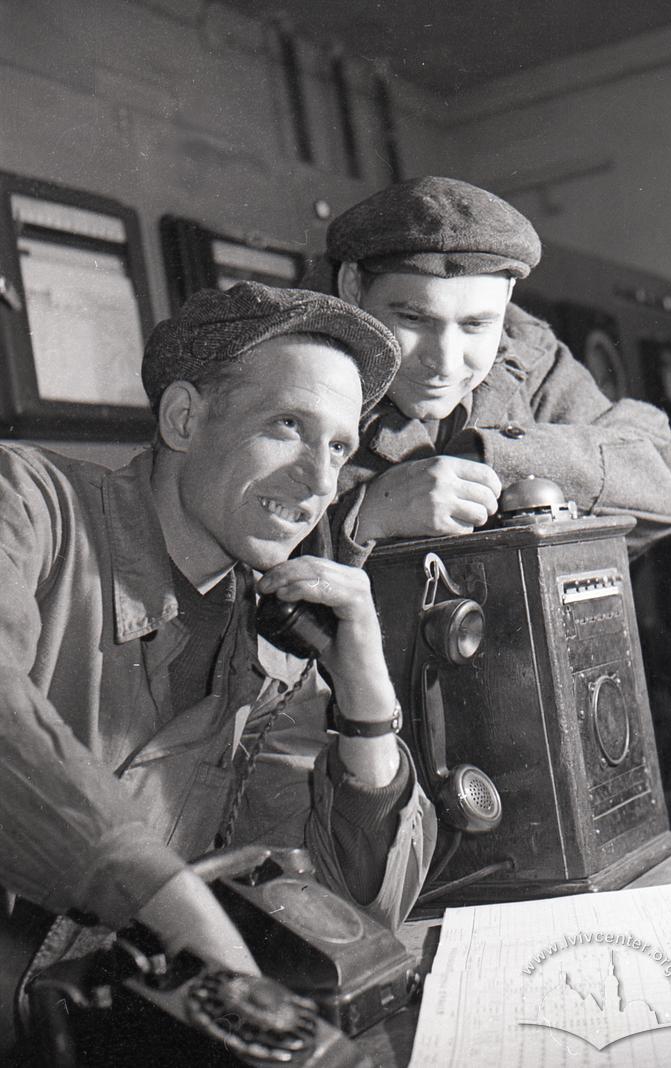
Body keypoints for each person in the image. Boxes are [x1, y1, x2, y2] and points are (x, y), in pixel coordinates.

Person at [0, 282, 436, 1051]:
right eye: (288, 426)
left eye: (339, 447)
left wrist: (365, 708)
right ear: (184, 418)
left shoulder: (272, 651)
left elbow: (337, 924)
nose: (320, 483)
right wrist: (163, 894)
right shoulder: (29, 507)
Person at [302, 176, 671, 565]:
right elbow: (249, 581)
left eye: (475, 325)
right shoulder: (290, 367)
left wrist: (491, 456)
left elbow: (665, 485)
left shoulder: (528, 357)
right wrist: (368, 517)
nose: (446, 362)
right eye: (413, 319)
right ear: (353, 287)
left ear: (506, 300)